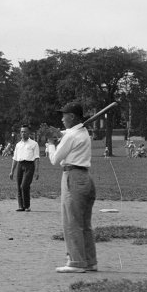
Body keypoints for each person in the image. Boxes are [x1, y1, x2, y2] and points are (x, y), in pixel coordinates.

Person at [46, 102, 97, 273]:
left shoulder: (71, 136)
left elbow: (54, 160)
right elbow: (68, 133)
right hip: (85, 177)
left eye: (64, 115)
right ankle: (89, 261)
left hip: (72, 177)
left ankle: (76, 262)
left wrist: (50, 144)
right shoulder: (82, 132)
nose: (62, 118)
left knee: (71, 222)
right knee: (84, 223)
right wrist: (57, 133)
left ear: (72, 117)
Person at [10, 125, 40, 212]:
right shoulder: (18, 145)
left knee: (24, 185)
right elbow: (15, 158)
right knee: (19, 186)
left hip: (29, 165)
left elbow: (36, 158)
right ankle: (21, 206)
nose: (23, 133)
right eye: (22, 132)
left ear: (29, 133)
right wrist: (12, 171)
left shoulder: (34, 144)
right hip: (20, 165)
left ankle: (27, 206)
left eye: (25, 131)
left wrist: (37, 171)